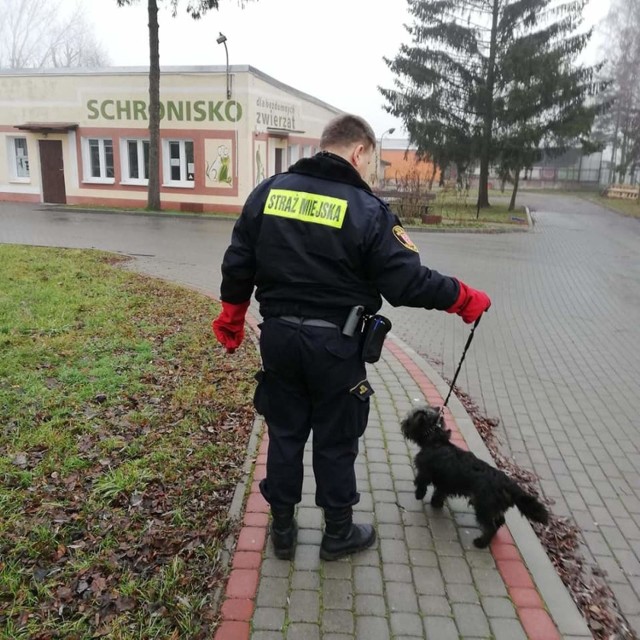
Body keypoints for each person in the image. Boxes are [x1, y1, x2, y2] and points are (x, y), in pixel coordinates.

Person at [212, 114, 491, 561]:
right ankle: (337, 533)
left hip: (278, 338)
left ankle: (282, 532)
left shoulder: (268, 192)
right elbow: (407, 283)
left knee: (284, 434)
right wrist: (463, 298)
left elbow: (238, 261)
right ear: (358, 152)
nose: (369, 170)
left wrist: (231, 316)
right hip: (335, 347)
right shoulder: (368, 210)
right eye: (371, 161)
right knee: (335, 441)